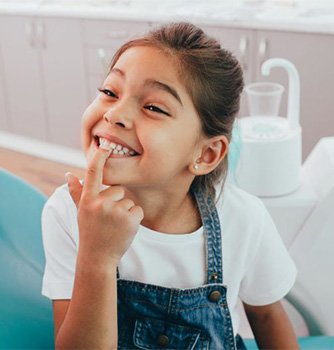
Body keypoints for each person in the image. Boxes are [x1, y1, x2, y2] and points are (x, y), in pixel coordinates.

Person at [41, 22, 299, 349]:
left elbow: (266, 316)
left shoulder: (244, 218)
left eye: (153, 107)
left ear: (206, 154)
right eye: (110, 92)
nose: (115, 114)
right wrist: (97, 256)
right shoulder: (66, 212)